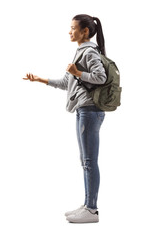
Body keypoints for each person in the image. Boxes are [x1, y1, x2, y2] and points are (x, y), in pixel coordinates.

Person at [23, 14, 107, 223]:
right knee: (85, 161)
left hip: (90, 110)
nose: (69, 32)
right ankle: (88, 205)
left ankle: (92, 210)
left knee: (89, 161)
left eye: (72, 28)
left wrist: (78, 72)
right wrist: (40, 79)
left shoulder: (88, 52)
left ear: (85, 31)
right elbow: (65, 83)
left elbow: (101, 77)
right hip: (83, 110)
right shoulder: (80, 52)